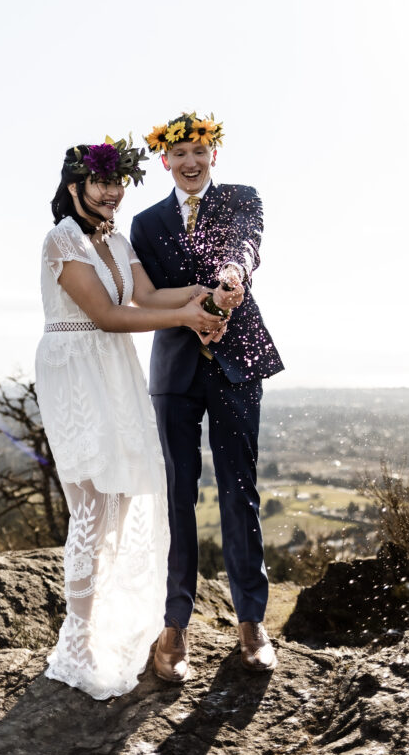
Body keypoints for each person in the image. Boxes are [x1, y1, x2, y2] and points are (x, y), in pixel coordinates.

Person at [35, 136, 225, 700]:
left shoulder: (116, 240)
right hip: (76, 369)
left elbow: (147, 295)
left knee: (119, 502)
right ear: (76, 187)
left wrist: (205, 295)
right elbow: (109, 315)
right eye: (101, 180)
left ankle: (104, 619)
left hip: (113, 371)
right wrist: (187, 320)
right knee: (92, 502)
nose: (113, 190)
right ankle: (79, 637)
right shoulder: (61, 240)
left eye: (119, 180)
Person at [130, 112, 284, 682]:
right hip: (175, 369)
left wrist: (233, 274)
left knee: (240, 490)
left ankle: (251, 622)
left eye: (199, 151)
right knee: (176, 496)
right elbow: (145, 300)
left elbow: (247, 245)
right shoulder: (144, 224)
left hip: (238, 365)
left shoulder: (242, 198)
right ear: (164, 161)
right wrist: (194, 308)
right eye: (180, 154)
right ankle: (175, 626)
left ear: (212, 154)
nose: (190, 162)